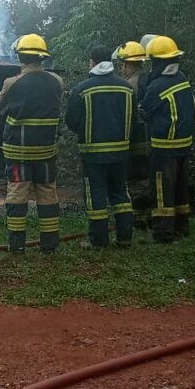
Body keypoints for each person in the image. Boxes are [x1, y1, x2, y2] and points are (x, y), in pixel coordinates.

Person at [0, 34, 63, 254]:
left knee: (17, 193)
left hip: (18, 153)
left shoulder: (12, 83)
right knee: (47, 193)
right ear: (42, 57)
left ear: (21, 56)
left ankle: (16, 245)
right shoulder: (56, 81)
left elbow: (2, 107)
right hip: (46, 151)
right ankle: (50, 245)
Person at [66, 45, 135, 248]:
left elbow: (71, 120)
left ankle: (98, 240)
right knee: (120, 193)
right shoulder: (127, 87)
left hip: (93, 154)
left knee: (96, 194)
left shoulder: (82, 89)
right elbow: (135, 118)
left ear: (93, 62)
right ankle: (124, 237)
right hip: (121, 152)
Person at [139, 35, 195, 244]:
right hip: (184, 144)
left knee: (162, 190)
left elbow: (144, 112)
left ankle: (163, 233)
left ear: (158, 62)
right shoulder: (182, 78)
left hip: (164, 148)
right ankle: (182, 226)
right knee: (181, 188)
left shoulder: (158, 86)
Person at [112, 40, 150, 231]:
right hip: (148, 138)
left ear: (129, 63)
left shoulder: (131, 84)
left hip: (135, 139)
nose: (122, 68)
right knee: (144, 177)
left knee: (136, 178)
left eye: (123, 64)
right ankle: (144, 214)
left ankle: (138, 218)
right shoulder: (147, 78)